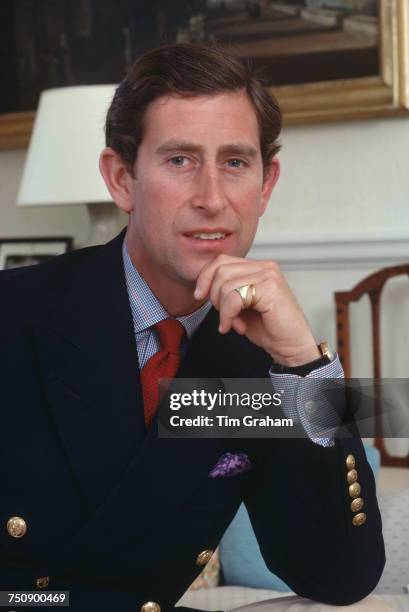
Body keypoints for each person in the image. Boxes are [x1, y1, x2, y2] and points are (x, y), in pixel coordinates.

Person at [0, 43, 385, 612]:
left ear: (265, 184)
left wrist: (304, 365)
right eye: (179, 160)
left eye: (234, 162)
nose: (211, 198)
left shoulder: (260, 361)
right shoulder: (17, 312)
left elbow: (338, 576)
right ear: (121, 179)